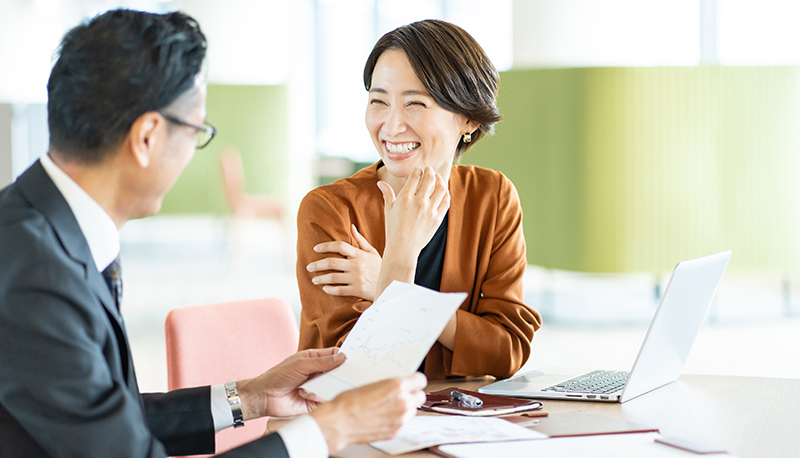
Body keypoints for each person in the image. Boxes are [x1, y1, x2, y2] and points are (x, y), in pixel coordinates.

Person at [0, 9, 426, 458]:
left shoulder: (43, 232)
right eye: (196, 131)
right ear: (147, 138)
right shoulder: (35, 274)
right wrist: (328, 431)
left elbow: (101, 420)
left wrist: (251, 397)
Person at [297, 20, 543, 380]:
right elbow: (355, 374)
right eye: (379, 101)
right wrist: (400, 256)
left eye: (415, 103)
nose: (391, 126)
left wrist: (391, 288)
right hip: (355, 412)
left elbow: (506, 351)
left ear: (469, 119)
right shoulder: (330, 210)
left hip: (457, 412)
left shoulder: (492, 197)